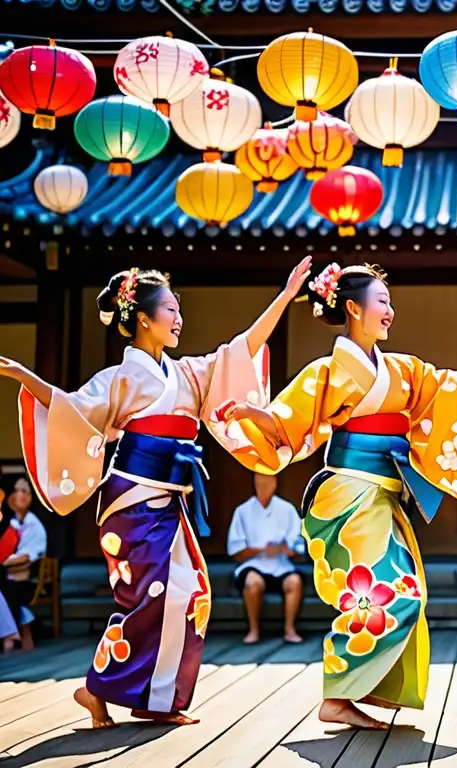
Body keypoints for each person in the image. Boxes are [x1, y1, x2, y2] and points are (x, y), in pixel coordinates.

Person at [0, 256, 311, 729]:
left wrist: (285, 297)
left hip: (170, 502)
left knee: (191, 594)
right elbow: (69, 407)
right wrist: (26, 377)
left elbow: (242, 350)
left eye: (180, 308)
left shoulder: (188, 373)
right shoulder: (120, 379)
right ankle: (100, 688)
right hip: (131, 501)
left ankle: (154, 698)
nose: (179, 317)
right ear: (143, 319)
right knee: (156, 593)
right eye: (171, 309)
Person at [219, 263, 457, 730]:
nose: (390, 310)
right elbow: (285, 421)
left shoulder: (401, 369)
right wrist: (248, 412)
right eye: (381, 301)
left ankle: (362, 686)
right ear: (353, 308)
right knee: (388, 593)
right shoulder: (327, 371)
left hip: (383, 499)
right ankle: (339, 693)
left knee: (408, 595)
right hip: (348, 497)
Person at [227, 473, 305, 645]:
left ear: (275, 483)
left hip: (281, 564)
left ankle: (290, 629)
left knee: (294, 582)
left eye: (266, 482)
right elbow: (235, 550)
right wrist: (261, 549)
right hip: (254, 564)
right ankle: (254, 629)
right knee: (253, 583)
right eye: (258, 482)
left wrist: (284, 549)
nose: (262, 486)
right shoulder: (243, 511)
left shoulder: (287, 509)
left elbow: (299, 547)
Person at [1, 477, 47, 651]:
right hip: (8, 575)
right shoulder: (7, 521)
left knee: (7, 590)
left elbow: (28, 557)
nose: (21, 495)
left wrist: (5, 561)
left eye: (26, 491)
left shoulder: (34, 525)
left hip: (25, 580)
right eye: (17, 490)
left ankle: (9, 639)